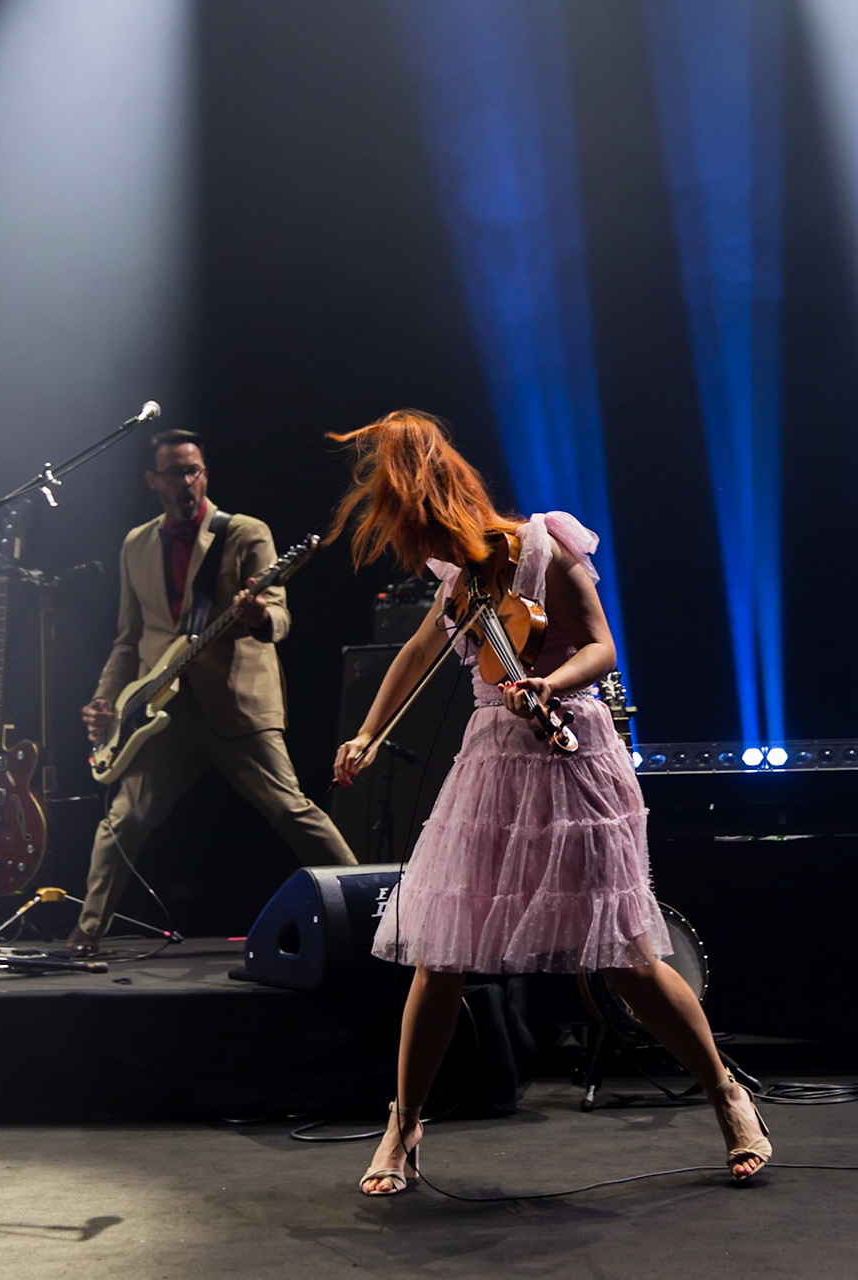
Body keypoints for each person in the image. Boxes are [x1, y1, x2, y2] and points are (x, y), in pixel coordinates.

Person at [327, 409, 770, 1196]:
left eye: (422, 534)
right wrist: (366, 734)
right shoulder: (460, 584)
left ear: (447, 509)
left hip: (573, 754)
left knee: (627, 959)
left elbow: (600, 646)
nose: (421, 553)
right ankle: (403, 1126)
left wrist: (550, 683)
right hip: (494, 759)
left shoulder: (543, 549)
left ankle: (728, 1095)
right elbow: (416, 654)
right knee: (442, 956)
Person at [68, 428, 356, 954]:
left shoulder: (245, 532)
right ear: (153, 480)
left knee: (292, 811)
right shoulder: (136, 544)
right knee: (123, 818)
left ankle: (368, 907)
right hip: (163, 709)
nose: (188, 480)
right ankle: (86, 932)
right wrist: (106, 702)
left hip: (236, 702)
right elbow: (128, 637)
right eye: (175, 472)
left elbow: (282, 615)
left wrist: (259, 615)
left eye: (195, 470)